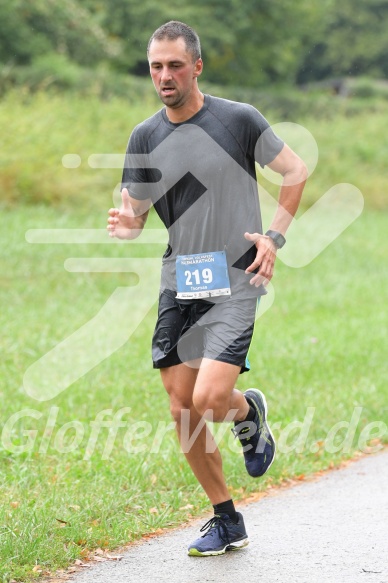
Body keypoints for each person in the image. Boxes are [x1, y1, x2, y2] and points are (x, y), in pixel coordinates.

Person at [107, 21, 307, 557]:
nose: (164, 76)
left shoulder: (238, 120)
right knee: (181, 407)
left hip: (237, 275)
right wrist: (124, 222)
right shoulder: (145, 137)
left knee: (211, 398)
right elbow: (136, 220)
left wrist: (275, 236)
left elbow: (295, 170)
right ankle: (226, 518)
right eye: (155, 66)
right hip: (181, 279)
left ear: (197, 66)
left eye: (174, 65)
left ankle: (247, 412)